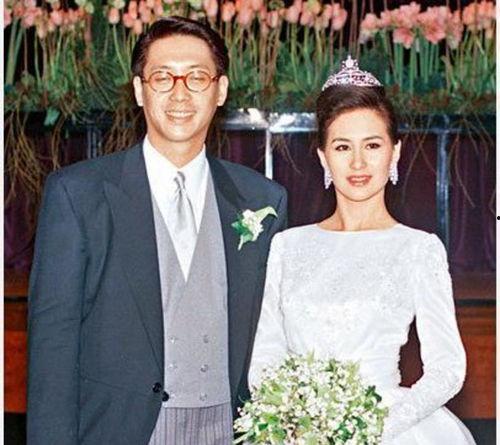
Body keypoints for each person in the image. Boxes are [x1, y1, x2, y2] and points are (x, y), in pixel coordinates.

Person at [27, 16, 287, 445]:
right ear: (139, 89)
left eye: (197, 77)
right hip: (120, 430)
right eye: (163, 77)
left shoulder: (263, 200)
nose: (180, 93)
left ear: (220, 90)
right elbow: (52, 347)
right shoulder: (78, 194)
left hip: (232, 429)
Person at [248, 57, 475, 444]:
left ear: (395, 152)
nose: (357, 162)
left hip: (388, 429)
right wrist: (294, 420)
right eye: (342, 147)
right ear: (323, 157)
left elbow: (448, 369)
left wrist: (369, 428)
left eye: (372, 145)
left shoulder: (418, 249)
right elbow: (264, 355)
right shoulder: (287, 246)